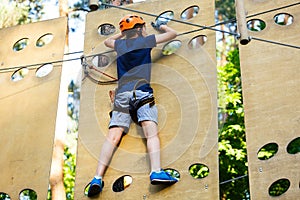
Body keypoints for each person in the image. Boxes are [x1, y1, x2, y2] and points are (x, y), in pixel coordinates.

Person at [87, 14, 178, 197]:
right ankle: (156, 171)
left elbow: (107, 42)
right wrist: (161, 26)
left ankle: (97, 177)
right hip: (142, 93)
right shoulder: (146, 41)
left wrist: (123, 34)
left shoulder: (120, 45)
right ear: (140, 29)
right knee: (150, 133)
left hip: (122, 95)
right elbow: (173, 34)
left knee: (113, 136)